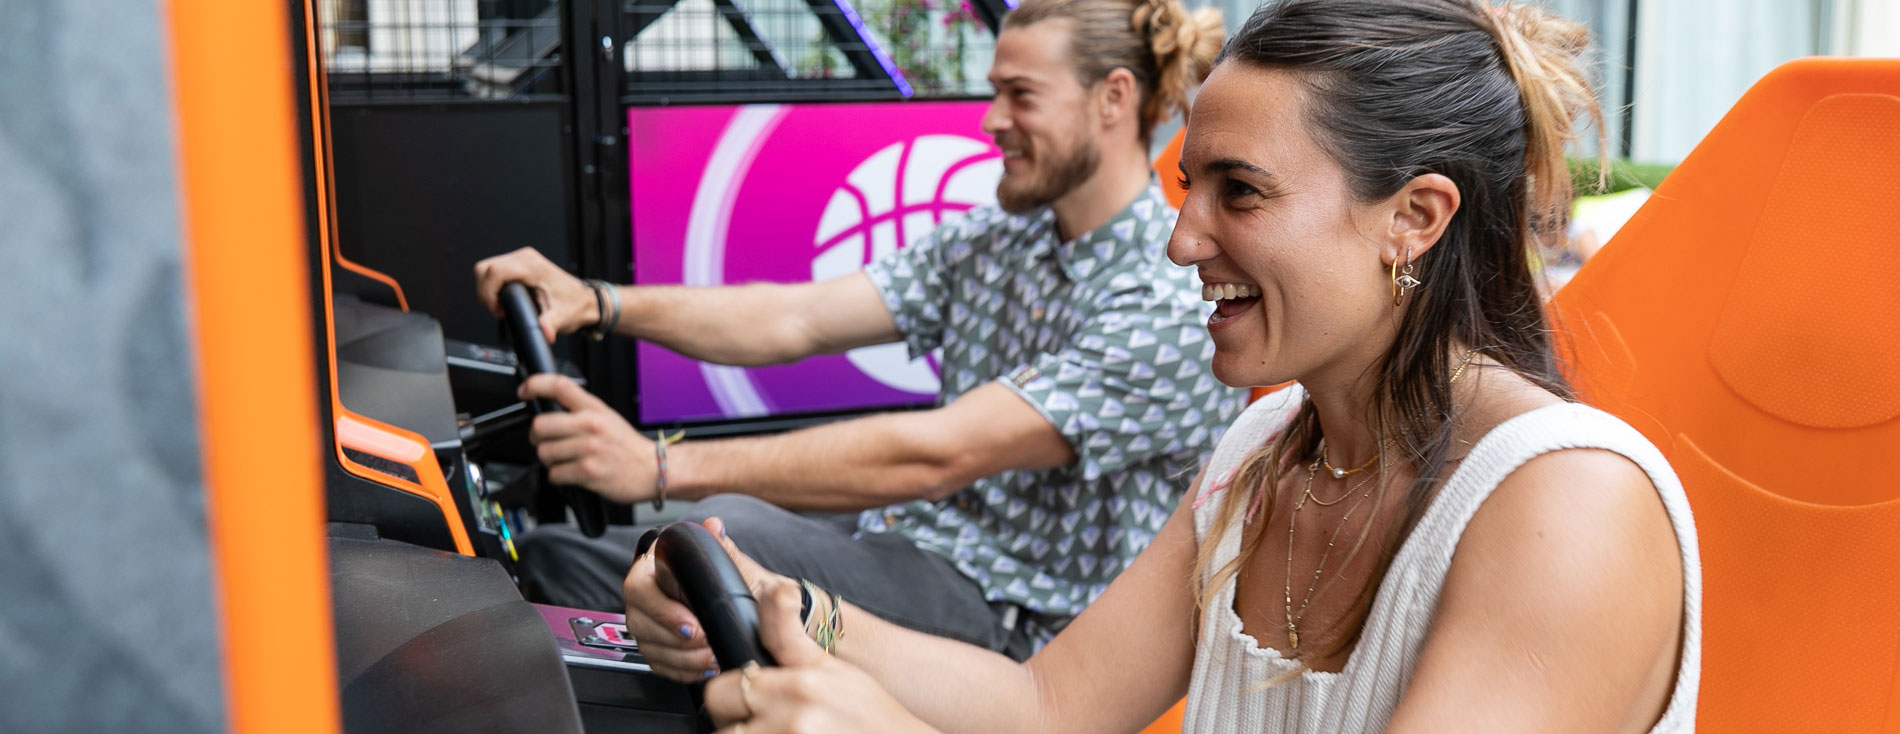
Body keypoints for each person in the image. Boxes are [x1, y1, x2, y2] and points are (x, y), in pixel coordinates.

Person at [621, 1, 1701, 732]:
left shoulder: (1567, 501)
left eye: (1239, 191)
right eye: (1188, 185)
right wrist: (787, 608)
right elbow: (1047, 702)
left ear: (1412, 219)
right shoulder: (1265, 448)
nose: (1181, 238)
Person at [474, 0, 1234, 660]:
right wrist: (598, 302)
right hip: (916, 544)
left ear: (1114, 98)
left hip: (1016, 625)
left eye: (1020, 94)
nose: (991, 118)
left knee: (656, 551)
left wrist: (659, 466)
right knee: (583, 556)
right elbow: (792, 316)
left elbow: (940, 452)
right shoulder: (1001, 238)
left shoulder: (1165, 302)